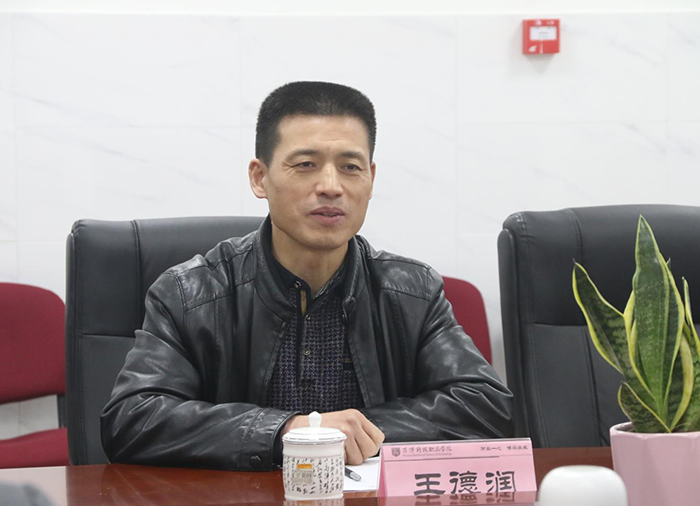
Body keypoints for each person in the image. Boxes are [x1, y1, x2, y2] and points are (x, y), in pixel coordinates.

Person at [101, 81, 513, 471]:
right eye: (305, 164)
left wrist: (349, 433)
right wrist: (288, 433)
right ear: (260, 178)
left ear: (371, 179)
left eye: (350, 167)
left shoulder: (412, 292)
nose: (331, 186)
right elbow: (133, 418)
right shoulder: (191, 293)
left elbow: (485, 406)